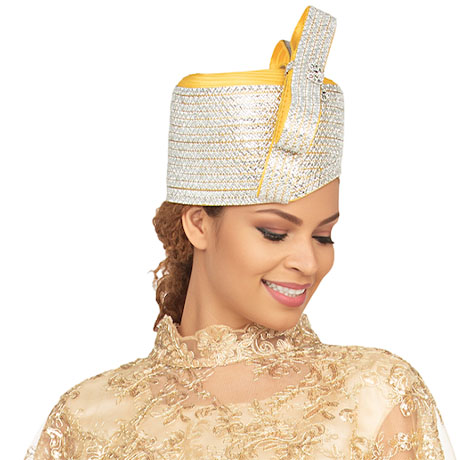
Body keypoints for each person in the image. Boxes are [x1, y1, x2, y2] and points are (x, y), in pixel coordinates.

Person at [24, 5, 456, 460]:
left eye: (323, 236)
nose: (308, 262)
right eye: (274, 232)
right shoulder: (87, 419)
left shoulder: (374, 396)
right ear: (198, 224)